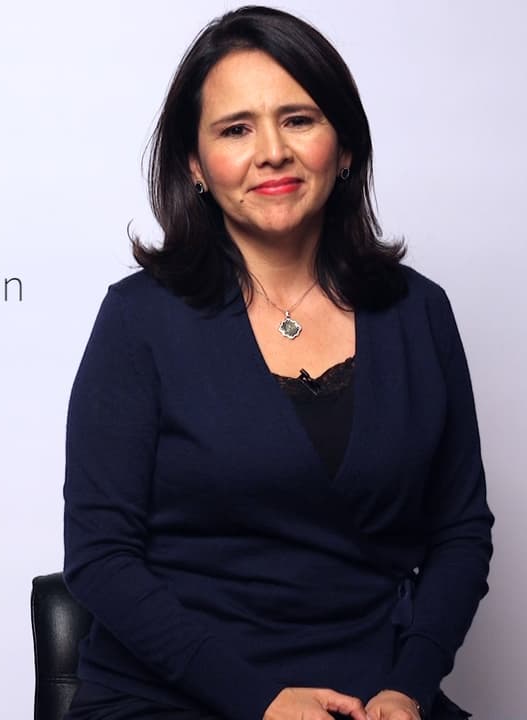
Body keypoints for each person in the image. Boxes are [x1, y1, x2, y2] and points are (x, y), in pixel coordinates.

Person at [61, 6, 494, 720]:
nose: (271, 152)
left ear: (344, 146)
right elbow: (100, 557)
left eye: (298, 120)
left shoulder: (420, 313)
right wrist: (260, 702)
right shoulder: (139, 320)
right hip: (173, 698)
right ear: (196, 165)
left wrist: (408, 687)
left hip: (374, 698)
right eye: (236, 129)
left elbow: (460, 531)